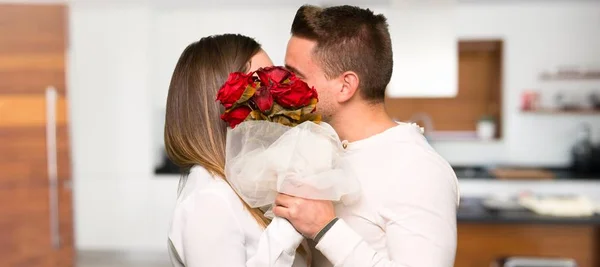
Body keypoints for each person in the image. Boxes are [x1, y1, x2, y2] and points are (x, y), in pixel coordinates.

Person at [273, 5, 460, 267]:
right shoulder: (322, 150)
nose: (284, 85)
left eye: (295, 76)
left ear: (345, 86)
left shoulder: (419, 170)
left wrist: (325, 229)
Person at [165, 34, 307, 267]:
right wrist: (290, 222)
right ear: (222, 102)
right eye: (263, 86)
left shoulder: (240, 184)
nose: (278, 97)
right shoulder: (209, 200)